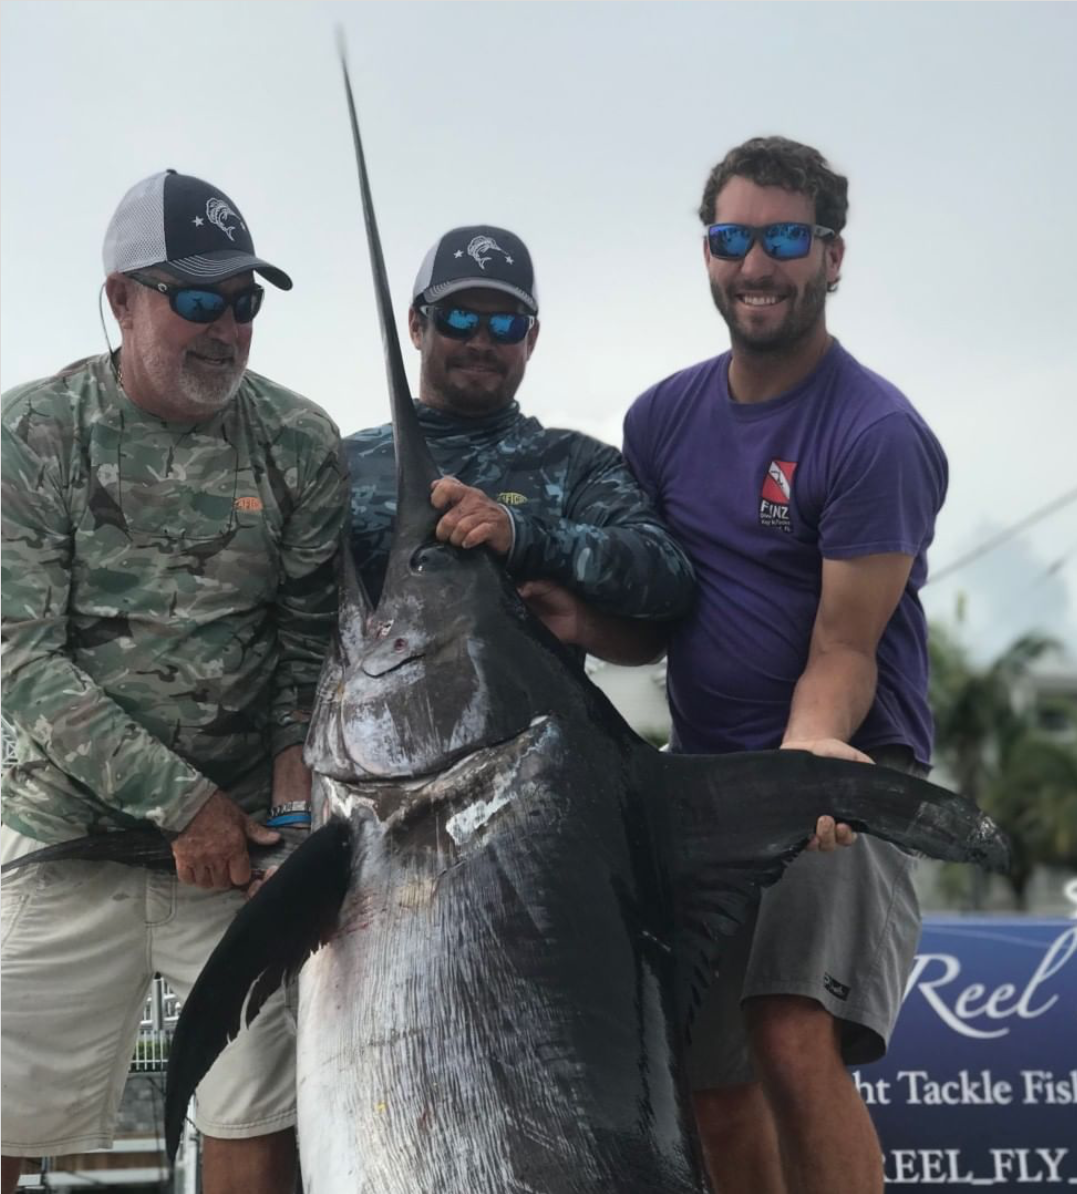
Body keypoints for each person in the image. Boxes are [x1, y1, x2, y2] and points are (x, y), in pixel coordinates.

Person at [0, 170, 347, 1194]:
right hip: (70, 845)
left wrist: (290, 811)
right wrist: (183, 802)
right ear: (120, 298)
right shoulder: (32, 435)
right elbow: (19, 659)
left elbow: (305, 655)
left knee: (255, 1116)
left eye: (245, 302)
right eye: (198, 299)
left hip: (237, 865)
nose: (226, 327)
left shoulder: (300, 444)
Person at [620, 137, 949, 1194]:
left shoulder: (877, 431)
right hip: (706, 790)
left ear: (833, 256)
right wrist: (551, 600)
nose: (754, 264)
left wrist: (813, 753)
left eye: (783, 238)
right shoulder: (659, 418)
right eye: (730, 237)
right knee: (711, 1084)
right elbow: (645, 620)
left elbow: (844, 649)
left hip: (839, 783)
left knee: (792, 1037)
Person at [345, 224, 695, 659]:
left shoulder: (578, 463)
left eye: (507, 326)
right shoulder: (343, 463)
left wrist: (520, 535)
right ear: (417, 326)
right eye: (459, 319)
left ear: (530, 340)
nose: (481, 342)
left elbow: (669, 577)